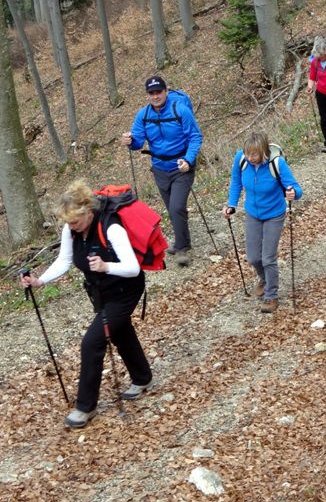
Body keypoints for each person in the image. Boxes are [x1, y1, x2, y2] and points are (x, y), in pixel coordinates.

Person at [19, 180, 153, 429]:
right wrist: (40, 280)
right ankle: (143, 377)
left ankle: (85, 407)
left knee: (92, 342)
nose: (71, 227)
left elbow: (133, 268)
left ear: (88, 213)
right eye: (68, 223)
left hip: (125, 291)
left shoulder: (110, 227)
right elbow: (64, 260)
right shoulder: (71, 230)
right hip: (100, 292)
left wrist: (106, 266)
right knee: (120, 332)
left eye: (75, 222)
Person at [121, 76, 202, 267]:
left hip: (181, 166)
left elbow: (195, 137)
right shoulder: (143, 115)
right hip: (159, 168)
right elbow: (139, 142)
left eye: (159, 92)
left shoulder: (180, 110)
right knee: (172, 208)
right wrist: (130, 141)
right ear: (148, 95)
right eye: (152, 93)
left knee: (176, 207)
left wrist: (189, 160)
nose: (156, 96)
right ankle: (185, 240)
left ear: (166, 91)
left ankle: (181, 248)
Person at [223, 132, 303, 313]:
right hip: (252, 213)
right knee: (253, 257)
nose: (251, 158)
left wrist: (293, 194)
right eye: (248, 153)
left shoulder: (277, 163)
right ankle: (265, 279)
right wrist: (231, 205)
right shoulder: (241, 159)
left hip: (274, 214)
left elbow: (296, 188)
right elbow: (236, 182)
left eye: (255, 154)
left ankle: (271, 296)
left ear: (264, 152)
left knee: (268, 258)